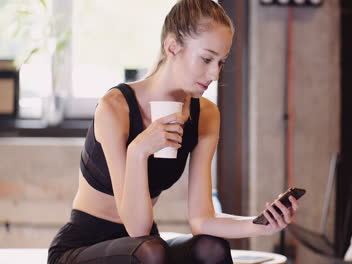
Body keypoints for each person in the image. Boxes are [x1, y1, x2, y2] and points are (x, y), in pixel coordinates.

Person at [48, 0, 300, 263]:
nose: (214, 74)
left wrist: (260, 224)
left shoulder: (206, 115)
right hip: (83, 247)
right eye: (206, 59)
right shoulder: (115, 108)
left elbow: (202, 219)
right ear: (172, 46)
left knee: (211, 249)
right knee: (151, 250)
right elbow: (137, 229)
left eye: (221, 62)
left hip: (144, 247)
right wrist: (139, 150)